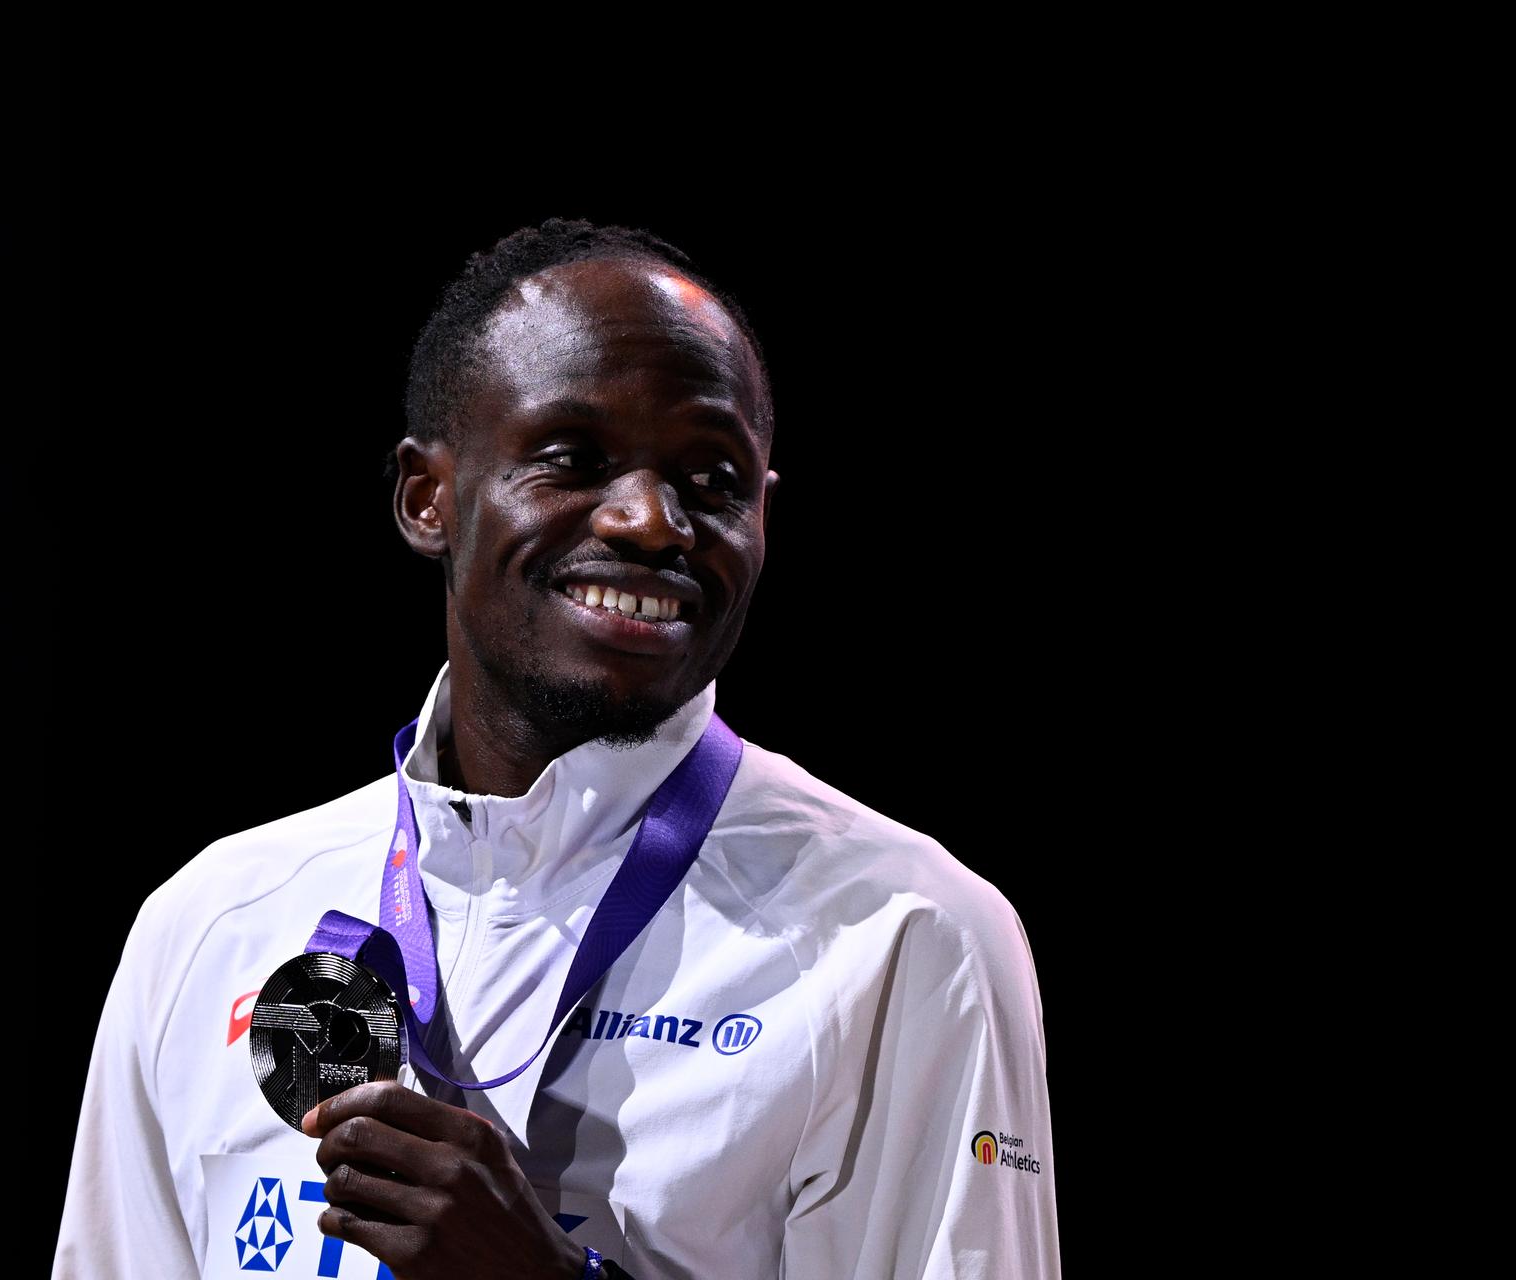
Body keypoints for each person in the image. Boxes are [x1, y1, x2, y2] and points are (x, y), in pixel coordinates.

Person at [53, 217, 1061, 1279]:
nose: (648, 521)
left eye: (711, 479)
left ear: (764, 518)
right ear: (426, 496)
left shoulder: (905, 936)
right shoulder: (212, 921)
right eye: (573, 459)